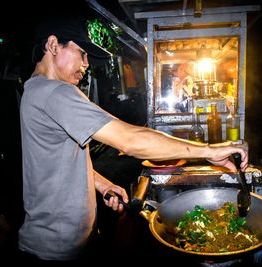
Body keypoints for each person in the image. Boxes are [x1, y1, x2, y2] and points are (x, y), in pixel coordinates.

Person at [18, 14, 248, 265]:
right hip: (57, 251)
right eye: (82, 53)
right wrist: (210, 151)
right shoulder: (56, 92)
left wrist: (102, 185)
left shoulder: (34, 90)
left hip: (62, 242)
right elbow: (130, 141)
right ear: (53, 45)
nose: (86, 64)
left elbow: (57, 160)